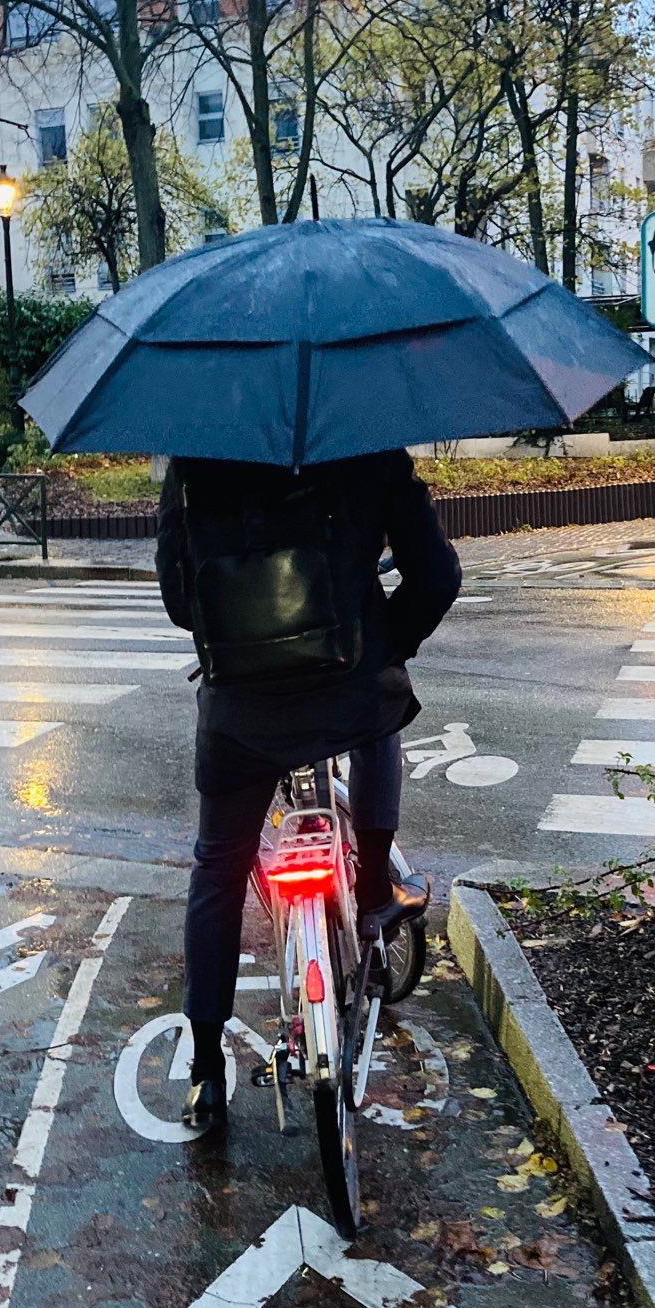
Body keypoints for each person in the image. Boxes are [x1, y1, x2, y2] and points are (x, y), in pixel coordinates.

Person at [157, 448, 462, 1132]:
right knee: (381, 723)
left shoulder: (198, 454)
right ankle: (378, 893)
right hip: (349, 691)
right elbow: (437, 578)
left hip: (241, 715)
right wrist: (383, 644)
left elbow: (182, 600)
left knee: (219, 866)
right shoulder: (366, 439)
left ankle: (206, 1069)